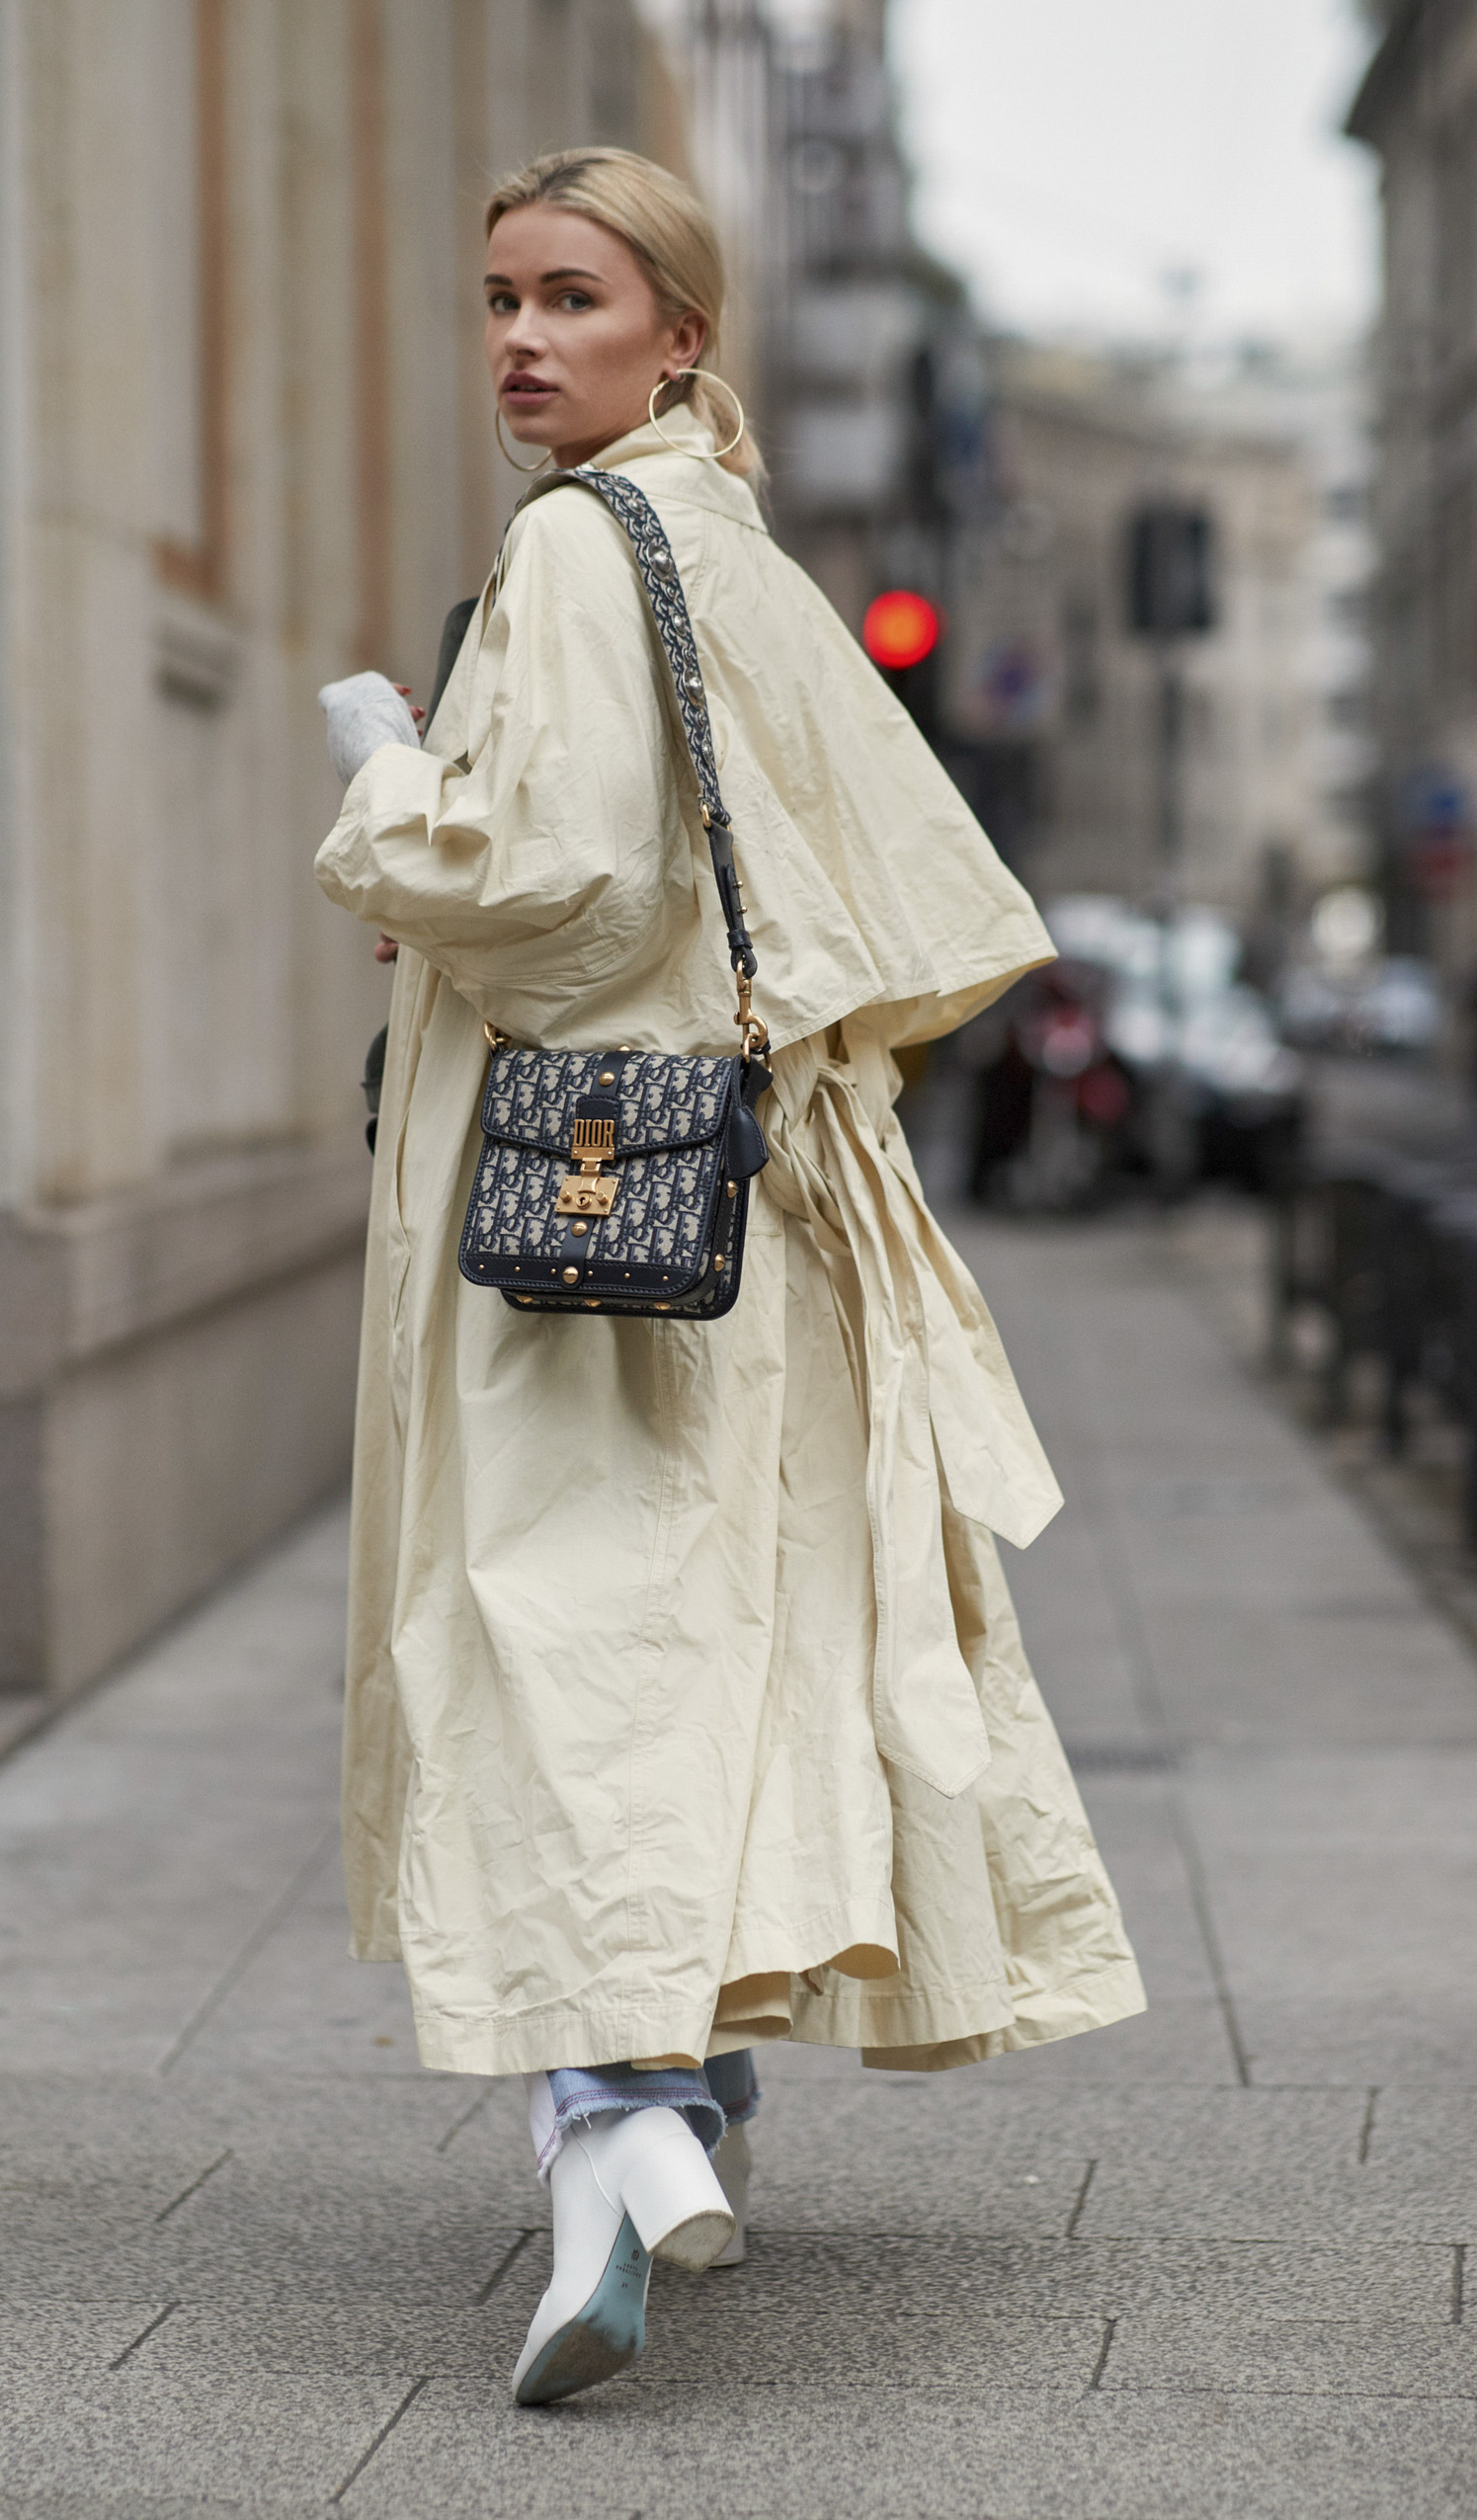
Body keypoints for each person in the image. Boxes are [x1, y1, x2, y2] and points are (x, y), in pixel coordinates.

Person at [313, 146, 1144, 2408]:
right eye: (499, 296)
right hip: (747, 1212)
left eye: (573, 298)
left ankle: (619, 2122)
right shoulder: (731, 547)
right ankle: (702, 2086)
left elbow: (561, 887)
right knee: (700, 1632)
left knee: (552, 1641)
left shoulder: (585, 542)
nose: (521, 338)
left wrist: (389, 793)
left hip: (579, 1214)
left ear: (680, 333)